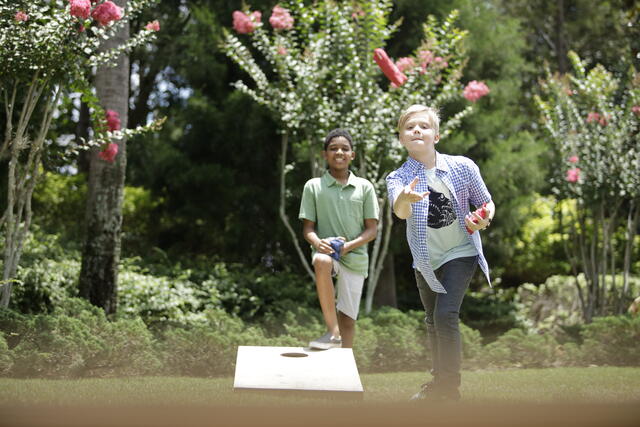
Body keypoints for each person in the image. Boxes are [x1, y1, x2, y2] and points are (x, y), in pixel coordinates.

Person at [386, 105, 495, 401]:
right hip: (425, 260)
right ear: (401, 138)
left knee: (445, 315)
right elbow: (400, 211)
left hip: (460, 252)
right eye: (410, 127)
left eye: (423, 126)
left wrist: (483, 218)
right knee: (432, 320)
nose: (417, 130)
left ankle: (449, 388)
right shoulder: (398, 178)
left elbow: (486, 202)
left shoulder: (463, 166)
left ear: (437, 135)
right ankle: (438, 383)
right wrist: (405, 199)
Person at [299, 128, 379, 350]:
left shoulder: (365, 187)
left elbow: (372, 230)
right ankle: (332, 333)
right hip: (328, 255)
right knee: (321, 261)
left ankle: (347, 367)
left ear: (352, 155)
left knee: (348, 321)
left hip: (355, 259)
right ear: (325, 155)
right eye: (333, 149)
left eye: (345, 148)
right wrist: (318, 243)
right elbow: (308, 229)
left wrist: (348, 247)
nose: (339, 152)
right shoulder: (313, 186)